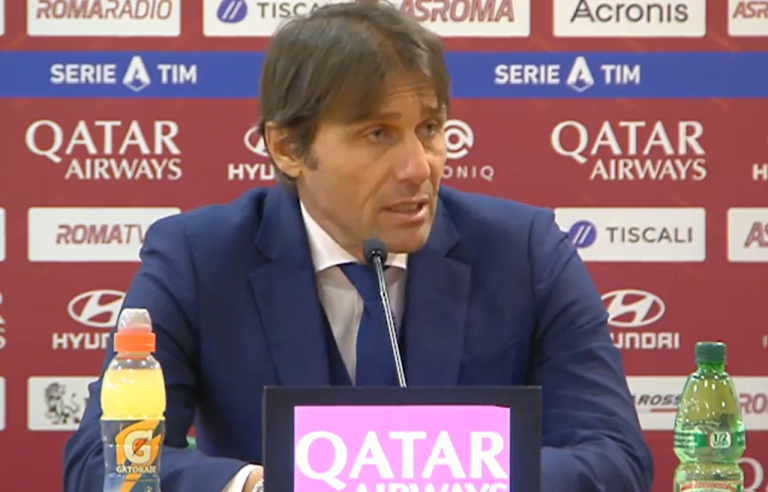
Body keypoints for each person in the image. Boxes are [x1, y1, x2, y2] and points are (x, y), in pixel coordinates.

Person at [62, 2, 654, 491]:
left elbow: (616, 456)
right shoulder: (199, 258)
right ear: (288, 148)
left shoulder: (523, 251)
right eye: (377, 134)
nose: (418, 167)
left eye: (429, 128)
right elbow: (101, 463)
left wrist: (453, 480)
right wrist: (261, 488)